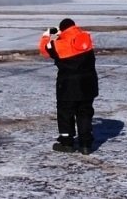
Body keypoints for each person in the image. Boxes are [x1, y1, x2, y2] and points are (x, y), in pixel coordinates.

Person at [39, 18, 99, 154]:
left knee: (65, 113)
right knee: (85, 113)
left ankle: (67, 143)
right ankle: (85, 144)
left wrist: (48, 35)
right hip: (88, 85)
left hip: (68, 86)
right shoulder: (86, 39)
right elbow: (74, 41)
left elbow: (44, 49)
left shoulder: (59, 45)